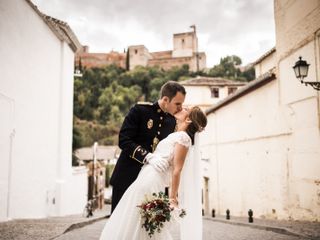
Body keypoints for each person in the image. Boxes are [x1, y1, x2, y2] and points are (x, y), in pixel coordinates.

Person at [99, 106, 207, 240]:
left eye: (186, 109)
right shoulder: (177, 134)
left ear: (189, 119)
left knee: (137, 217)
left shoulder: (184, 138)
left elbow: (177, 170)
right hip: (147, 175)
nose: (182, 108)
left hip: (153, 178)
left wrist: (173, 198)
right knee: (134, 215)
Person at [109, 81, 186, 213]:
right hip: (127, 177)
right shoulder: (140, 111)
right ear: (166, 99)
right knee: (119, 224)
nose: (180, 108)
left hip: (150, 183)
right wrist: (147, 156)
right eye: (177, 104)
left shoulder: (172, 122)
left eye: (182, 104)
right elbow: (124, 140)